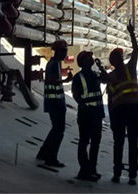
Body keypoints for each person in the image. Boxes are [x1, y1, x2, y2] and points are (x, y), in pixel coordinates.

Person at [106, 22, 138, 184]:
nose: (121, 58)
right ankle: (123, 173)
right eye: (119, 57)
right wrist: (112, 118)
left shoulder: (119, 73)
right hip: (127, 110)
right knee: (127, 142)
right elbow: (110, 100)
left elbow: (135, 50)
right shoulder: (126, 70)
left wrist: (132, 34)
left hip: (127, 110)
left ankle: (122, 173)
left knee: (123, 143)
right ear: (115, 61)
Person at [72, 51, 108, 181]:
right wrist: (86, 107)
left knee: (95, 143)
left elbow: (106, 79)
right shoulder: (78, 77)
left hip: (96, 114)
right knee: (84, 142)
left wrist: (101, 67)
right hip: (87, 115)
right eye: (89, 58)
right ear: (84, 61)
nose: (92, 59)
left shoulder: (95, 74)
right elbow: (77, 97)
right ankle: (84, 170)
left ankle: (91, 169)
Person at [36, 39, 69, 168]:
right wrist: (66, 80)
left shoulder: (53, 63)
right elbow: (53, 81)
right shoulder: (54, 64)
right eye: (64, 50)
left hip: (53, 101)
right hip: (56, 103)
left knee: (55, 129)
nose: (65, 53)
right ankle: (51, 157)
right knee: (59, 130)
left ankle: (43, 152)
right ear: (58, 51)